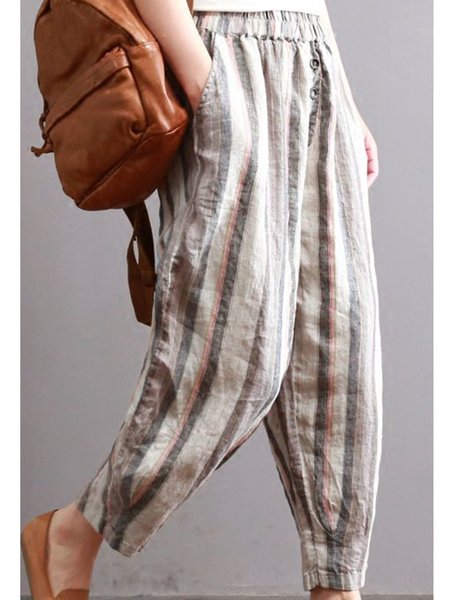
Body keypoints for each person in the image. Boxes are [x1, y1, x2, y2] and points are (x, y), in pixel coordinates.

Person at [21, 1, 382, 599]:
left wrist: (341, 89)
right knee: (235, 357)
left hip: (315, 55)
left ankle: (336, 586)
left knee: (338, 347)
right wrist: (204, 80)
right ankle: (73, 531)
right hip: (225, 48)